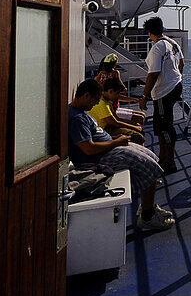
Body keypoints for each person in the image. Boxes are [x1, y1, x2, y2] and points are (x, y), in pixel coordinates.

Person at [68, 78, 174, 231]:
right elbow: (88, 149)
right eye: (95, 100)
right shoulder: (76, 119)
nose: (96, 104)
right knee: (149, 166)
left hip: (108, 147)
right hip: (98, 157)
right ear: (86, 96)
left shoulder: (80, 112)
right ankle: (147, 216)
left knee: (150, 157)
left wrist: (115, 139)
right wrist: (116, 142)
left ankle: (147, 206)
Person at [140, 16, 184, 174]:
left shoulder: (157, 48)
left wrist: (144, 96)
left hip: (163, 92)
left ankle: (170, 162)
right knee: (161, 124)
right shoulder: (173, 43)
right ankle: (163, 156)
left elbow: (153, 73)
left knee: (165, 127)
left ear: (149, 32)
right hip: (176, 86)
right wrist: (175, 78)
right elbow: (182, 63)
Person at [88, 78, 146, 144]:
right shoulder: (102, 103)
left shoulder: (106, 101)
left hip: (108, 127)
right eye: (117, 93)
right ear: (110, 91)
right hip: (103, 130)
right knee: (138, 137)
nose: (118, 96)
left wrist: (134, 124)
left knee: (137, 129)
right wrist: (135, 127)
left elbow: (116, 118)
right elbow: (114, 123)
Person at [95, 53, 144, 126]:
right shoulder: (113, 76)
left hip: (111, 103)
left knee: (141, 116)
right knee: (140, 118)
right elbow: (117, 95)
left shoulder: (102, 75)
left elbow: (95, 81)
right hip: (110, 106)